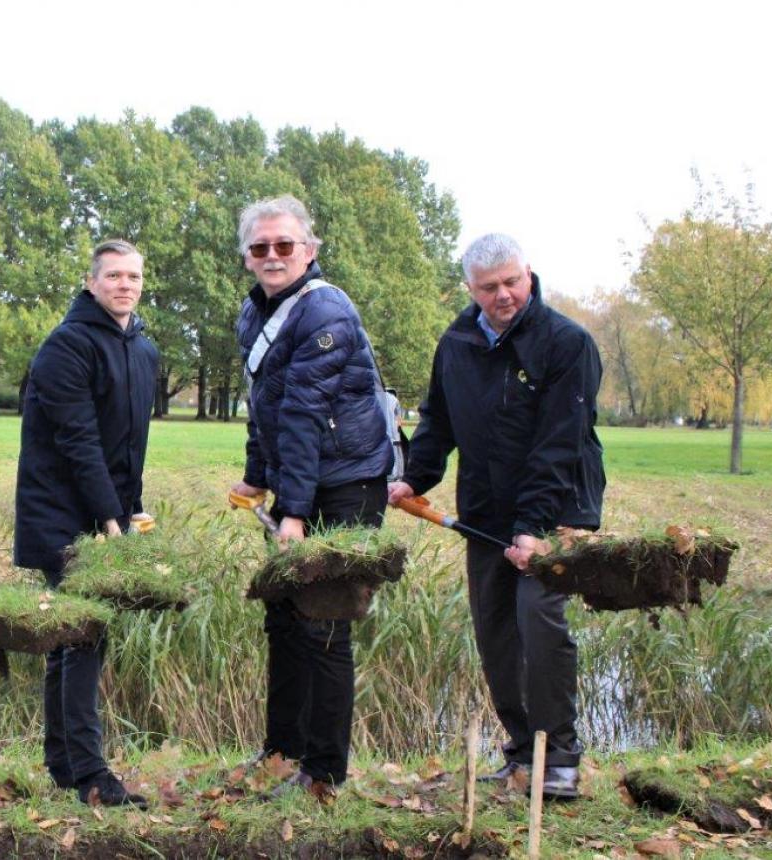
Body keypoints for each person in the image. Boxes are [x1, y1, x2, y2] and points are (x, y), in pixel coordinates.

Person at [387, 233, 604, 800]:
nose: (504, 294)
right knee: (496, 633)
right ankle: (520, 752)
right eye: (490, 287)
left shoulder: (566, 343)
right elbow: (439, 420)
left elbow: (559, 445)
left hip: (556, 511)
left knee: (539, 622)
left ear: (529, 274)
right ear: (470, 289)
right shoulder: (457, 342)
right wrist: (415, 477)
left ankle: (558, 759)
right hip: (484, 511)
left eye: (512, 281)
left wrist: (532, 528)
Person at [228, 196, 392, 797]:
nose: (273, 256)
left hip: (348, 482)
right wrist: (255, 477)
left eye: (284, 245)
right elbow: (263, 409)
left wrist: (292, 513)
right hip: (299, 478)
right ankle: (282, 751)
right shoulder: (255, 314)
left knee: (325, 620)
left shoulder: (325, 313)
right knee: (283, 615)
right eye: (260, 247)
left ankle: (324, 772)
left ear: (310, 250)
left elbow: (302, 414)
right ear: (247, 257)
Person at [14, 240, 158, 809]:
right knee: (84, 635)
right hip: (63, 514)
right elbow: (80, 443)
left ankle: (62, 761)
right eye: (115, 276)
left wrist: (133, 509)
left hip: (111, 513)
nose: (126, 285)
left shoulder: (142, 348)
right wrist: (108, 519)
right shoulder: (67, 347)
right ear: (92, 282)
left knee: (71, 639)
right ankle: (92, 774)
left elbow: (130, 445)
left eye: (135, 277)